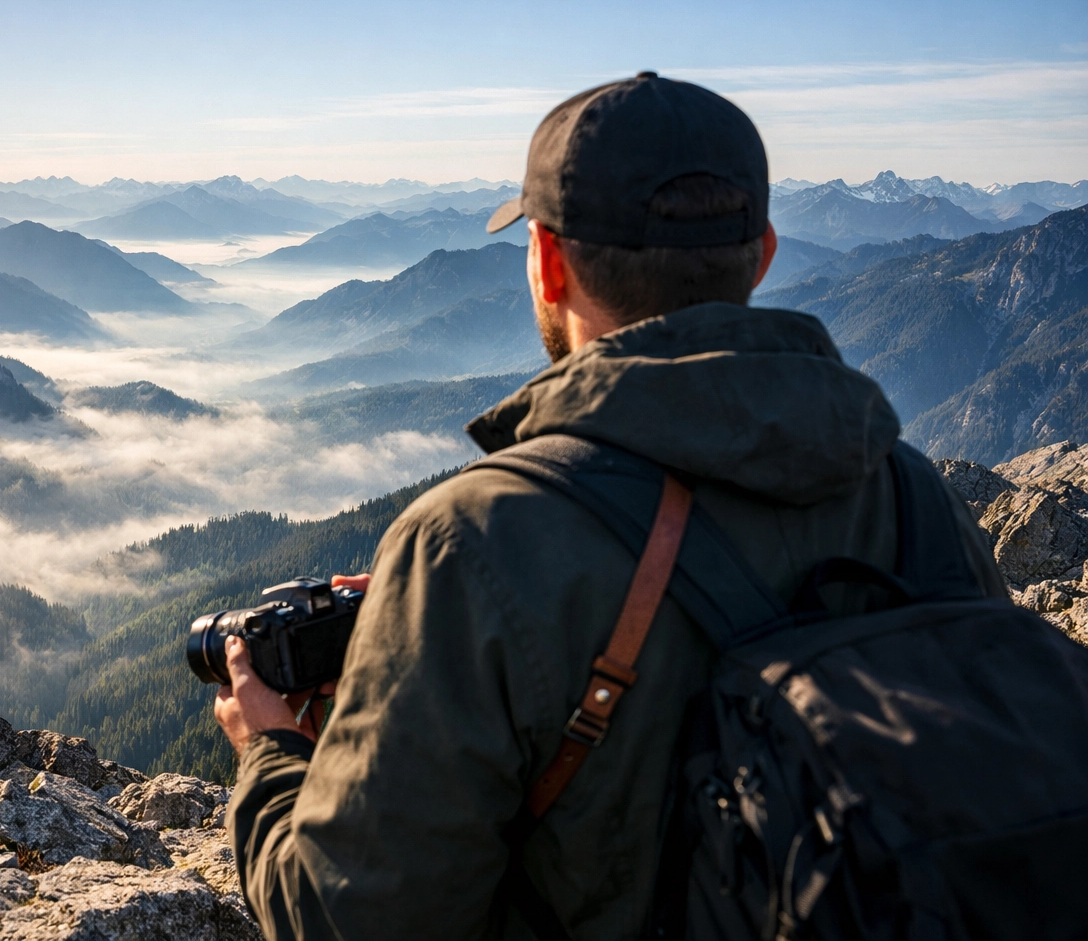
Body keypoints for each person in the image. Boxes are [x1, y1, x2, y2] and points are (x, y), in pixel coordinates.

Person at [211, 72, 1005, 941]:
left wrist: (270, 755)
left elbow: (349, 920)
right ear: (765, 252)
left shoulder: (472, 544)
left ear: (550, 261)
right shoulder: (914, 493)